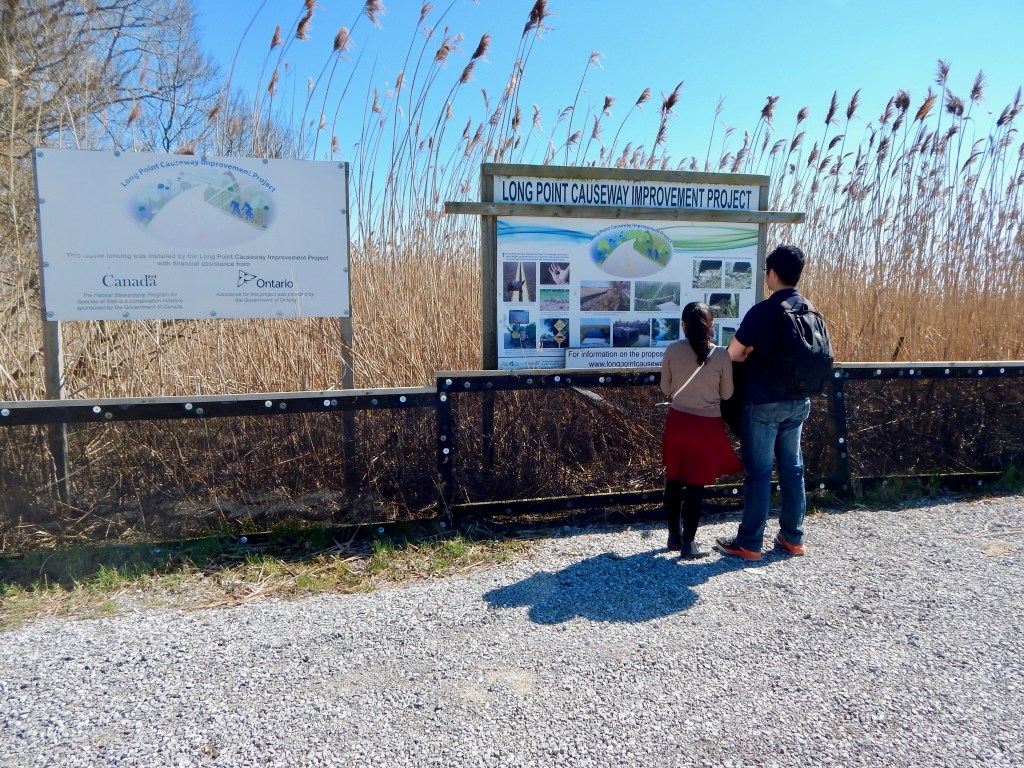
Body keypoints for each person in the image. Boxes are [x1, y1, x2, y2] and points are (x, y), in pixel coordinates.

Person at [717, 244, 813, 561]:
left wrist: (750, 352)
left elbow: (732, 353)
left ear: (771, 273)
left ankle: (748, 543)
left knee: (758, 473)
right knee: (793, 470)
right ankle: (792, 538)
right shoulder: (809, 310)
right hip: (798, 402)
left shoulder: (763, 311)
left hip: (763, 404)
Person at [660, 302, 741, 559]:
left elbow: (666, 389)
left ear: (683, 325)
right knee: (695, 486)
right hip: (705, 426)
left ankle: (673, 535)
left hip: (678, 423)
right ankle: (689, 543)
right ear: (711, 327)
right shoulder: (721, 355)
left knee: (673, 480)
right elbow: (727, 393)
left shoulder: (672, 350)